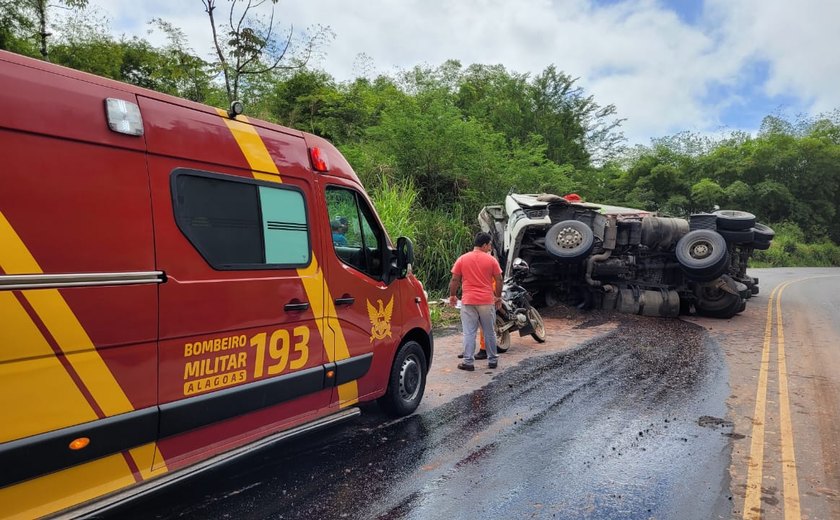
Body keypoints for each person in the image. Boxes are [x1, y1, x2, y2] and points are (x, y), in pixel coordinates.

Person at [449, 232, 503, 371]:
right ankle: (492, 360)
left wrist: (453, 295)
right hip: (486, 300)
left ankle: (468, 362)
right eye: (489, 244)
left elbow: (455, 279)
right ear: (484, 245)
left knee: (469, 332)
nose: (490, 247)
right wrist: (498, 296)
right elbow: (499, 279)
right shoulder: (491, 260)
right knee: (489, 331)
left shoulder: (462, 259)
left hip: (468, 301)